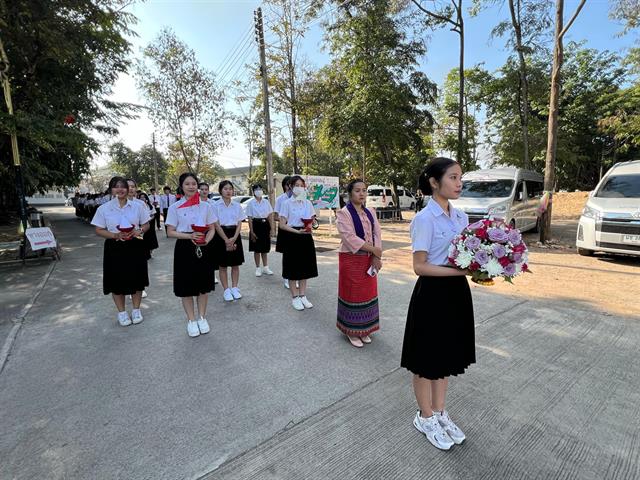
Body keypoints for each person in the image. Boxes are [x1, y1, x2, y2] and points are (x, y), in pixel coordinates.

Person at [401, 157, 474, 451]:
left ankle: (441, 412)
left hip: (456, 292)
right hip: (431, 294)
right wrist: (459, 271)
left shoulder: (462, 218)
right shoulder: (424, 219)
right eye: (454, 178)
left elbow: (465, 256)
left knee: (445, 357)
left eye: (460, 178)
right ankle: (425, 416)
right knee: (425, 361)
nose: (459, 183)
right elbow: (420, 266)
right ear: (435, 182)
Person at [91, 176, 150, 327]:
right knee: (117, 281)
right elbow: (98, 229)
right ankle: (122, 312)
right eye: (116, 186)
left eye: (123, 186)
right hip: (114, 247)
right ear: (111, 190)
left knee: (136, 279)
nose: (120, 189)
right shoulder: (104, 209)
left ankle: (136, 310)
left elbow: (146, 224)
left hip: (135, 246)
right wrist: (115, 235)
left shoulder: (138, 206)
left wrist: (139, 231)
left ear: (128, 189)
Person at [165, 173, 218, 337]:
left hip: (203, 246)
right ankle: (191, 320)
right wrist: (190, 236)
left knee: (203, 285)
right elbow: (170, 232)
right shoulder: (175, 208)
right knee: (186, 286)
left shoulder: (206, 206)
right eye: (187, 184)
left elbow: (212, 228)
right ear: (182, 186)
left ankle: (202, 317)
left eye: (194, 183)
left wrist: (206, 242)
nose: (191, 186)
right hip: (184, 247)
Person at [335, 179, 382, 348]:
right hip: (351, 258)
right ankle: (351, 331)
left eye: (364, 190)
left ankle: (364, 328)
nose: (362, 194)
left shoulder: (370, 212)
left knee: (367, 293)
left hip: (368, 258)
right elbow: (349, 237)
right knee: (352, 293)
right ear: (350, 193)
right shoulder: (343, 214)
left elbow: (377, 233)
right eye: (357, 190)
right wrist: (374, 250)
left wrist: (377, 255)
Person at [278, 175, 318, 311]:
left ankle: (303, 295)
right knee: (292, 268)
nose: (299, 188)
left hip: (305, 238)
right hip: (292, 237)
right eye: (297, 185)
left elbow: (312, 218)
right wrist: (297, 232)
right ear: (290, 187)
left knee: (305, 268)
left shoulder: (307, 203)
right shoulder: (286, 203)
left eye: (302, 185)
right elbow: (282, 225)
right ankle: (295, 297)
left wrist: (309, 226)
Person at [213, 180, 246, 301]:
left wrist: (234, 238)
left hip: (234, 235)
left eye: (230, 189)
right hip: (221, 235)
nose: (228, 191)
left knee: (235, 264)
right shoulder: (215, 205)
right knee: (223, 265)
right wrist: (226, 240)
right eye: (225, 189)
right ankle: (226, 290)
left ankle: (235, 288)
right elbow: (216, 224)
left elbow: (239, 223)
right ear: (220, 191)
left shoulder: (237, 206)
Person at [246, 183, 275, 277]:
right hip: (256, 225)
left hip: (265, 225)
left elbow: (270, 215)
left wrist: (272, 228)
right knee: (257, 249)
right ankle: (258, 268)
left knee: (265, 248)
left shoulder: (266, 202)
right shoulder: (251, 203)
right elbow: (249, 218)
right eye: (257, 189)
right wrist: (252, 231)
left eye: (260, 189)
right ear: (253, 192)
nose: (259, 191)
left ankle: (266, 267)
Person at [274, 175, 292, 289]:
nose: (291, 187)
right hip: (285, 230)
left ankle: (295, 277)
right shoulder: (280, 199)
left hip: (296, 230)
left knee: (295, 255)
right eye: (288, 185)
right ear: (285, 186)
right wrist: (285, 220)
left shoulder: (300, 198)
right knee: (287, 255)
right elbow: (276, 216)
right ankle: (286, 278)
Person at [138, 192, 159, 259]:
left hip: (150, 223)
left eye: (143, 197)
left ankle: (150, 251)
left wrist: (149, 219)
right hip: (142, 224)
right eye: (141, 197)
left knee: (151, 238)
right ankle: (145, 253)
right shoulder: (137, 206)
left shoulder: (150, 206)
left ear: (146, 198)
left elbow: (153, 214)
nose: (142, 198)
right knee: (144, 238)